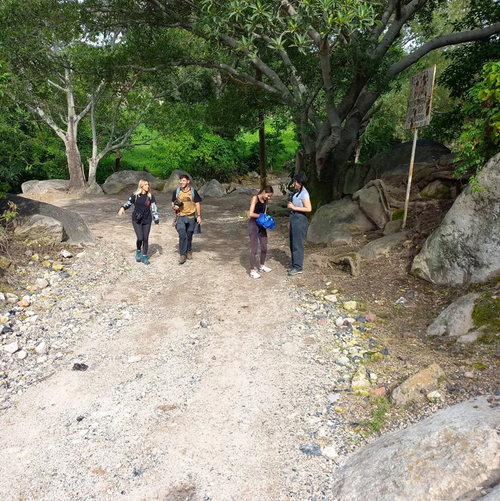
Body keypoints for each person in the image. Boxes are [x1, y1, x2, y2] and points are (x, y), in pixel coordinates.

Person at [118, 179, 159, 265]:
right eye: (145, 185)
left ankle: (145, 256)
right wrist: (122, 207)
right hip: (136, 219)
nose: (147, 186)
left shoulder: (151, 197)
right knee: (140, 237)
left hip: (147, 219)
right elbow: (128, 203)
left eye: (148, 184)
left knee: (145, 238)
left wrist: (156, 221)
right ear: (141, 186)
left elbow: (154, 209)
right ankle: (138, 251)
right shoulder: (135, 195)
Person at [171, 174, 202, 264]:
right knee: (182, 234)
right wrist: (174, 207)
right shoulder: (176, 192)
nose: (181, 182)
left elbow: (197, 204)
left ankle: (188, 250)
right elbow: (173, 202)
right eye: (180, 180)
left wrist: (199, 216)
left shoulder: (193, 192)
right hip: (180, 216)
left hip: (191, 216)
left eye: (183, 180)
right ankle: (182, 254)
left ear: (188, 181)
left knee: (189, 235)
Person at [287, 172, 312, 276]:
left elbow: (309, 208)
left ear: (301, 182)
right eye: (294, 181)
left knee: (298, 244)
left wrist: (294, 207)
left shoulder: (304, 194)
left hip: (300, 219)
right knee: (293, 243)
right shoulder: (297, 192)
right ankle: (294, 265)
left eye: (296, 181)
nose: (294, 183)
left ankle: (298, 267)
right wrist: (290, 221)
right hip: (294, 218)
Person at [248, 185, 274, 279]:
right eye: (268, 195)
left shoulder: (266, 201)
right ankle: (251, 270)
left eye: (270, 196)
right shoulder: (255, 198)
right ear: (263, 191)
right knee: (254, 248)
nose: (268, 197)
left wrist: (267, 221)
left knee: (264, 246)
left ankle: (262, 266)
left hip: (261, 224)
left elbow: (265, 213)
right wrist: (260, 216)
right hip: (253, 224)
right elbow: (250, 213)